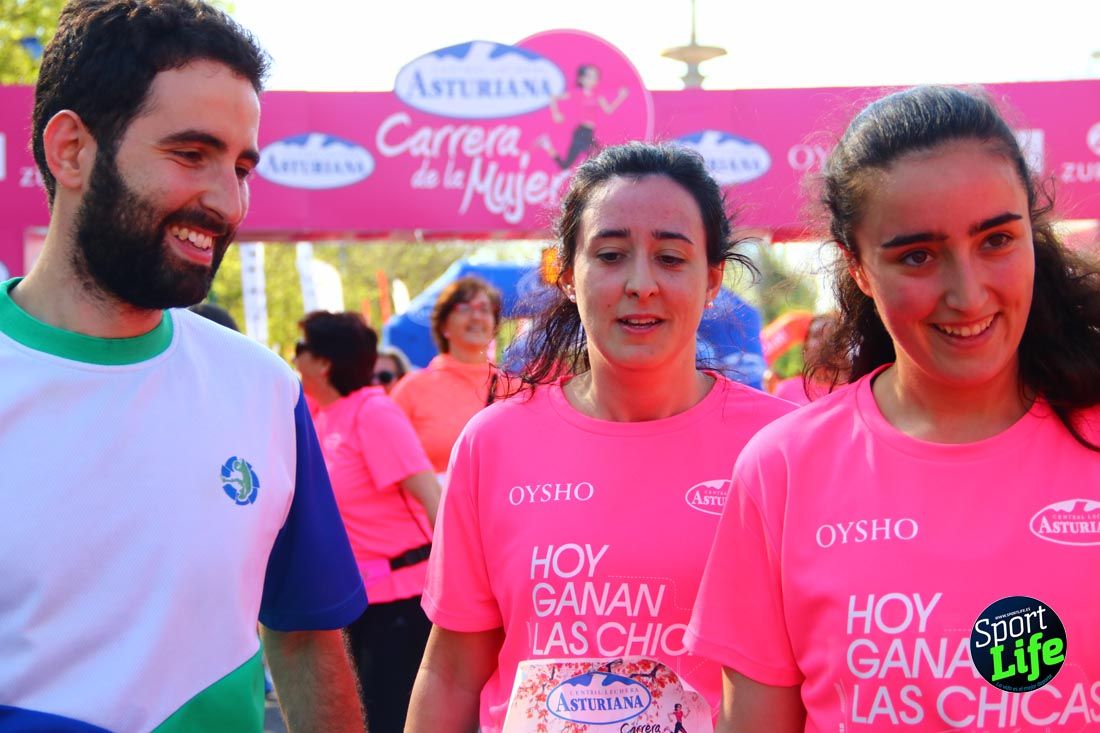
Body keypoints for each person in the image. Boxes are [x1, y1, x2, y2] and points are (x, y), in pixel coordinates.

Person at [0, 2, 366, 731]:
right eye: (190, 154)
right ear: (71, 150)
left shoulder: (264, 390)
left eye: (240, 166)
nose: (227, 201)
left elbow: (302, 638)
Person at [687, 86, 1100, 732]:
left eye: (996, 240)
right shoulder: (783, 470)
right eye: (917, 255)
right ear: (856, 266)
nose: (967, 293)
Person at [405, 142, 794, 733]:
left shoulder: (778, 448)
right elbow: (452, 671)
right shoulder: (494, 444)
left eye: (671, 258)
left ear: (713, 278)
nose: (641, 283)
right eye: (610, 255)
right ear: (565, 274)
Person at [294, 311, 441, 733]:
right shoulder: (320, 415)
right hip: (354, 600)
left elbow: (433, 499)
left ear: (322, 361)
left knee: (394, 719)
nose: (293, 357)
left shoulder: (373, 412)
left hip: (403, 601)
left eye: (300, 349)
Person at [391, 276, 508, 475]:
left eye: (484, 309)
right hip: (433, 506)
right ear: (444, 325)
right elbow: (390, 460)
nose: (476, 317)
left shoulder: (517, 388)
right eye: (464, 309)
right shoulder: (411, 388)